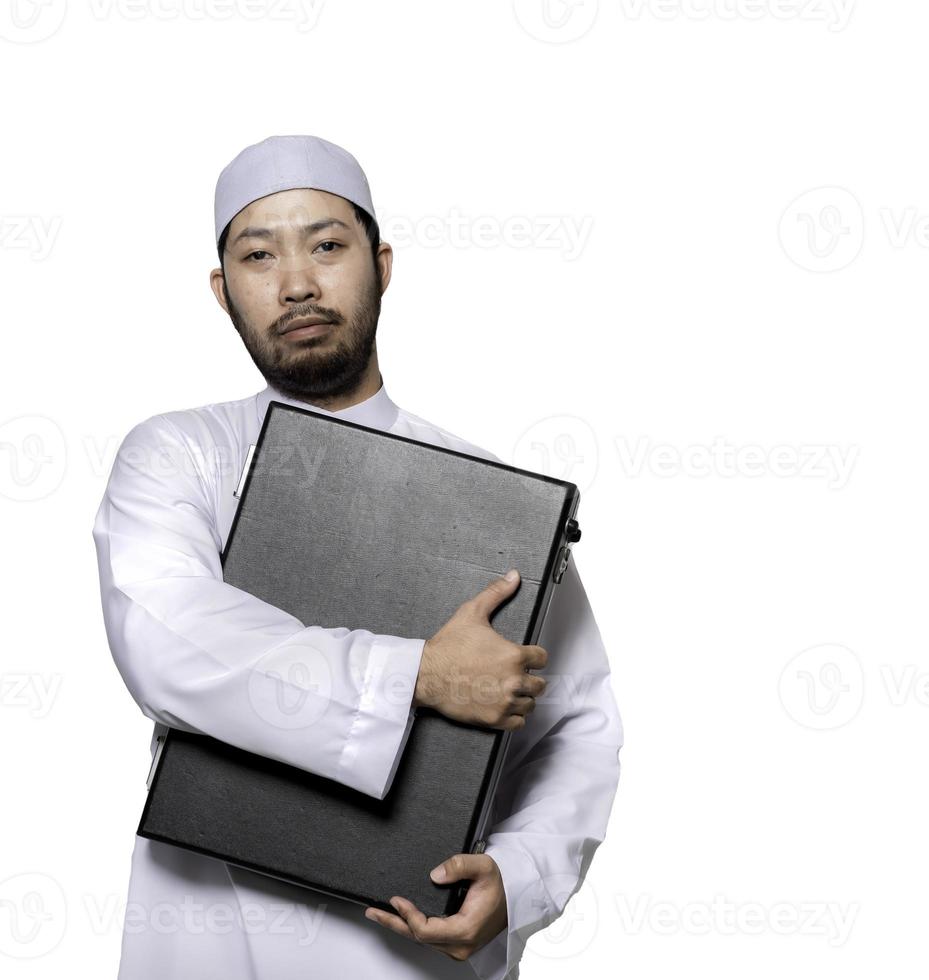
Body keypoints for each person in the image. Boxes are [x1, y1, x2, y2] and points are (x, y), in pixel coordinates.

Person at [92, 134, 623, 979]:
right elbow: (169, 641)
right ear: (222, 291)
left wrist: (519, 880)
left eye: (328, 246)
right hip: (212, 935)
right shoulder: (178, 453)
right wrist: (420, 674)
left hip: (412, 946)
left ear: (380, 264)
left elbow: (575, 727)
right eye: (259, 256)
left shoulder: (498, 503)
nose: (297, 283)